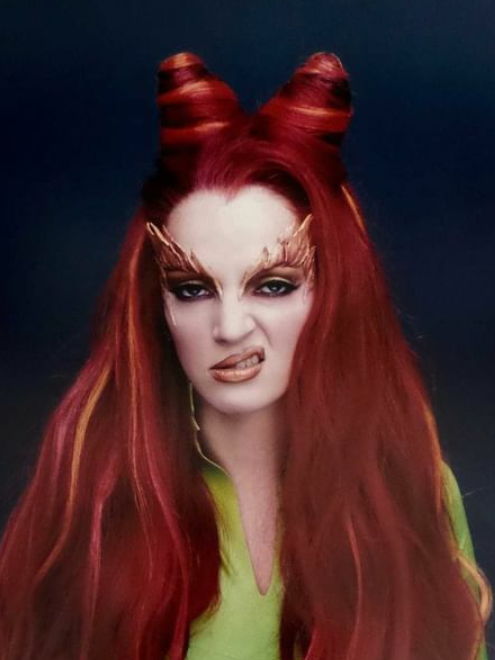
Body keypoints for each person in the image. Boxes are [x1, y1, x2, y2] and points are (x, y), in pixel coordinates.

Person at [0, 51, 491, 660]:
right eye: (193, 289)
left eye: (274, 285)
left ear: (333, 293)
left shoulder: (407, 489)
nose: (230, 327)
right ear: (155, 303)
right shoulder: (95, 499)